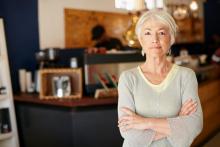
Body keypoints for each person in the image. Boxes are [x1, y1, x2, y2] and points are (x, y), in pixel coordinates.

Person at [117, 9, 203, 147]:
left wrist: (145, 122)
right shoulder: (128, 79)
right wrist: (177, 122)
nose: (155, 40)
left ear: (171, 38)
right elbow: (128, 132)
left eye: (162, 33)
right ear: (141, 39)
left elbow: (194, 125)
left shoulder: (186, 76)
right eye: (148, 33)